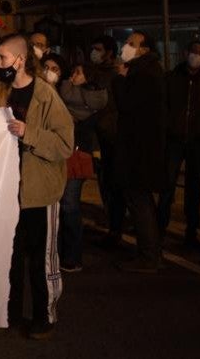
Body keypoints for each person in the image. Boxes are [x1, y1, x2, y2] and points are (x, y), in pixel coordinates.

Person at [0, 34, 73, 339]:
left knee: (41, 258)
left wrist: (29, 133)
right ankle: (9, 312)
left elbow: (65, 145)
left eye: (2, 58)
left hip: (39, 192)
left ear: (20, 60)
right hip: (7, 192)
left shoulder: (46, 95)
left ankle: (44, 316)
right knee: (9, 256)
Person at [158, 41, 200, 248]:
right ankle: (160, 228)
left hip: (197, 141)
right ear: (186, 53)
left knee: (194, 188)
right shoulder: (171, 78)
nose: (197, 56)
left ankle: (191, 231)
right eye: (194, 52)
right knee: (167, 186)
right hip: (174, 140)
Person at [113, 31, 167, 273]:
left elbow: (127, 107)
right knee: (140, 201)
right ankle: (150, 252)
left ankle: (149, 256)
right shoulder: (147, 71)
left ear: (143, 50)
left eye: (131, 44)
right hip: (141, 147)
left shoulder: (143, 74)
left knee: (140, 201)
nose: (126, 47)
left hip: (140, 149)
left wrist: (121, 79)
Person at [53, 53, 106, 273]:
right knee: (62, 204)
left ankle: (72, 257)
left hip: (78, 153)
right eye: (72, 72)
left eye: (78, 73)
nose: (73, 76)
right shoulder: (69, 97)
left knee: (70, 205)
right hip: (65, 151)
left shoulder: (94, 98)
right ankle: (63, 253)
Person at [85, 35, 125, 249]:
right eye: (93, 48)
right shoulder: (92, 72)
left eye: (98, 49)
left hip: (113, 137)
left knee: (114, 185)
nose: (94, 52)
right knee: (105, 184)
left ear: (109, 52)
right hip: (98, 136)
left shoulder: (117, 74)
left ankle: (116, 227)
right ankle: (113, 226)